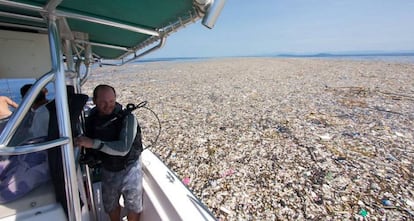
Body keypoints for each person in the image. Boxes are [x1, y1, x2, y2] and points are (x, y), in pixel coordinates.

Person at [75, 84, 143, 221]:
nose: (108, 106)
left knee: (133, 205)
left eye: (111, 101)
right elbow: (89, 141)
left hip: (130, 168)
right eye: (103, 102)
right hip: (108, 168)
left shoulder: (128, 119)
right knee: (110, 204)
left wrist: (93, 143)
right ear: (94, 101)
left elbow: (123, 148)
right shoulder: (91, 120)